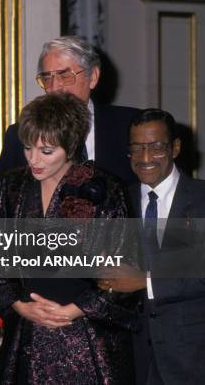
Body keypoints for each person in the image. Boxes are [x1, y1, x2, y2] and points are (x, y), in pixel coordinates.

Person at [0, 92, 138, 384]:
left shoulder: (104, 189)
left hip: (88, 339)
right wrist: (19, 305)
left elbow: (126, 267)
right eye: (28, 148)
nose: (34, 160)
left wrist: (71, 311)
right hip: (26, 334)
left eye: (46, 152)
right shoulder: (12, 186)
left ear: (70, 147)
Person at [99, 109, 205, 384]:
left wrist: (144, 281)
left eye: (156, 147)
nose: (145, 158)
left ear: (175, 148)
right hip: (129, 358)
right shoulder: (119, 201)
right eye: (137, 148)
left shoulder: (201, 199)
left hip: (192, 358)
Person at [0, 36, 139, 184]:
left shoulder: (130, 127)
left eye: (65, 76)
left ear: (93, 77)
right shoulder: (19, 137)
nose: (54, 88)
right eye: (47, 78)